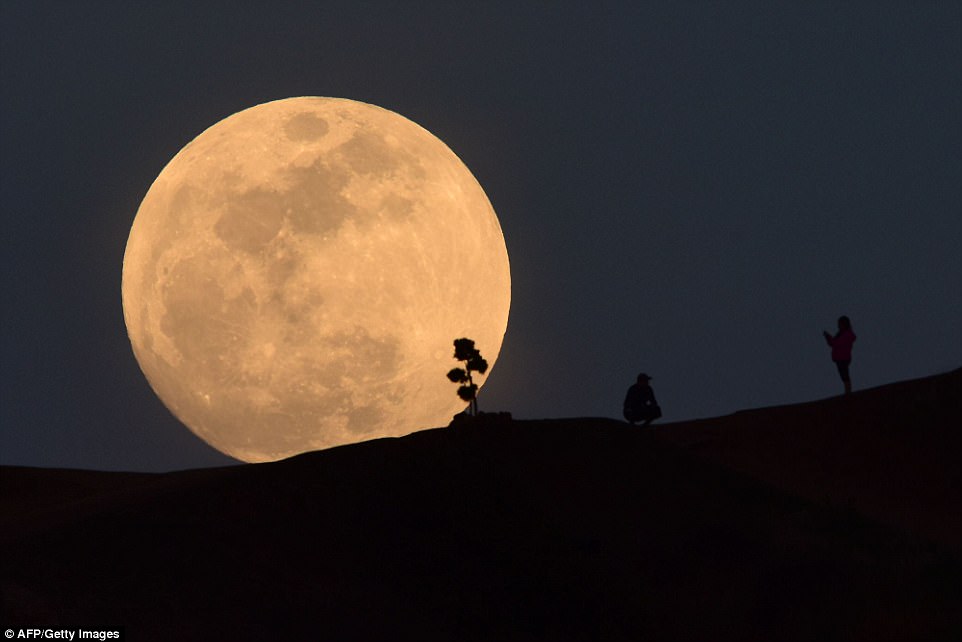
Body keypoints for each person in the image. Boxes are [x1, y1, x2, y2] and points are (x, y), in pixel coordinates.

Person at [823, 315, 856, 395]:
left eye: (840, 324)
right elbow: (833, 343)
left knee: (844, 374)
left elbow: (836, 343)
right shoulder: (841, 334)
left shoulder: (846, 334)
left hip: (843, 357)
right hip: (840, 358)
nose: (838, 325)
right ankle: (847, 391)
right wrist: (828, 337)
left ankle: (848, 392)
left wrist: (829, 338)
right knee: (843, 374)